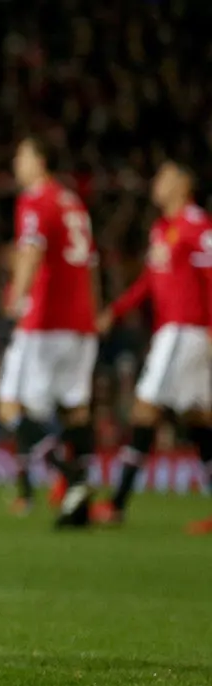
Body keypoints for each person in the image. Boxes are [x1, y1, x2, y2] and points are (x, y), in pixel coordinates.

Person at [95, 161, 212, 531]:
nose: (157, 183)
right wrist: (115, 311)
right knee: (200, 422)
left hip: (186, 331)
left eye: (164, 177)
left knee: (145, 410)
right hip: (178, 332)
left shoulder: (196, 225)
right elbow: (149, 281)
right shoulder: (163, 229)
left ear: (184, 183)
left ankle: (116, 505)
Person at [0, 137, 100, 527]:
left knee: (14, 408)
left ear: (40, 161)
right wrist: (94, 314)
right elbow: (90, 262)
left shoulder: (36, 200)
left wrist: (14, 306)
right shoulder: (73, 203)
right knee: (76, 409)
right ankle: (81, 504)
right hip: (81, 323)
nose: (15, 161)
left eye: (21, 154)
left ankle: (73, 480)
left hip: (45, 322)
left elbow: (32, 253)